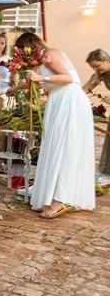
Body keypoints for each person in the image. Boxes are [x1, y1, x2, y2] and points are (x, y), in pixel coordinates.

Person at [6, 33, 95, 218]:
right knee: (55, 146)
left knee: (66, 147)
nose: (23, 55)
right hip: (58, 101)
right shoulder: (39, 60)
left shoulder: (51, 54)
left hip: (69, 100)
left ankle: (63, 198)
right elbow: (40, 83)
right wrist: (15, 89)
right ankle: (52, 194)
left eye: (23, 50)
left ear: (31, 45)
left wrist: (39, 78)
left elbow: (68, 78)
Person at [83, 49, 110, 176]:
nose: (95, 69)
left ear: (107, 60)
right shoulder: (101, 74)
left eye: (97, 66)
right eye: (93, 67)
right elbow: (84, 90)